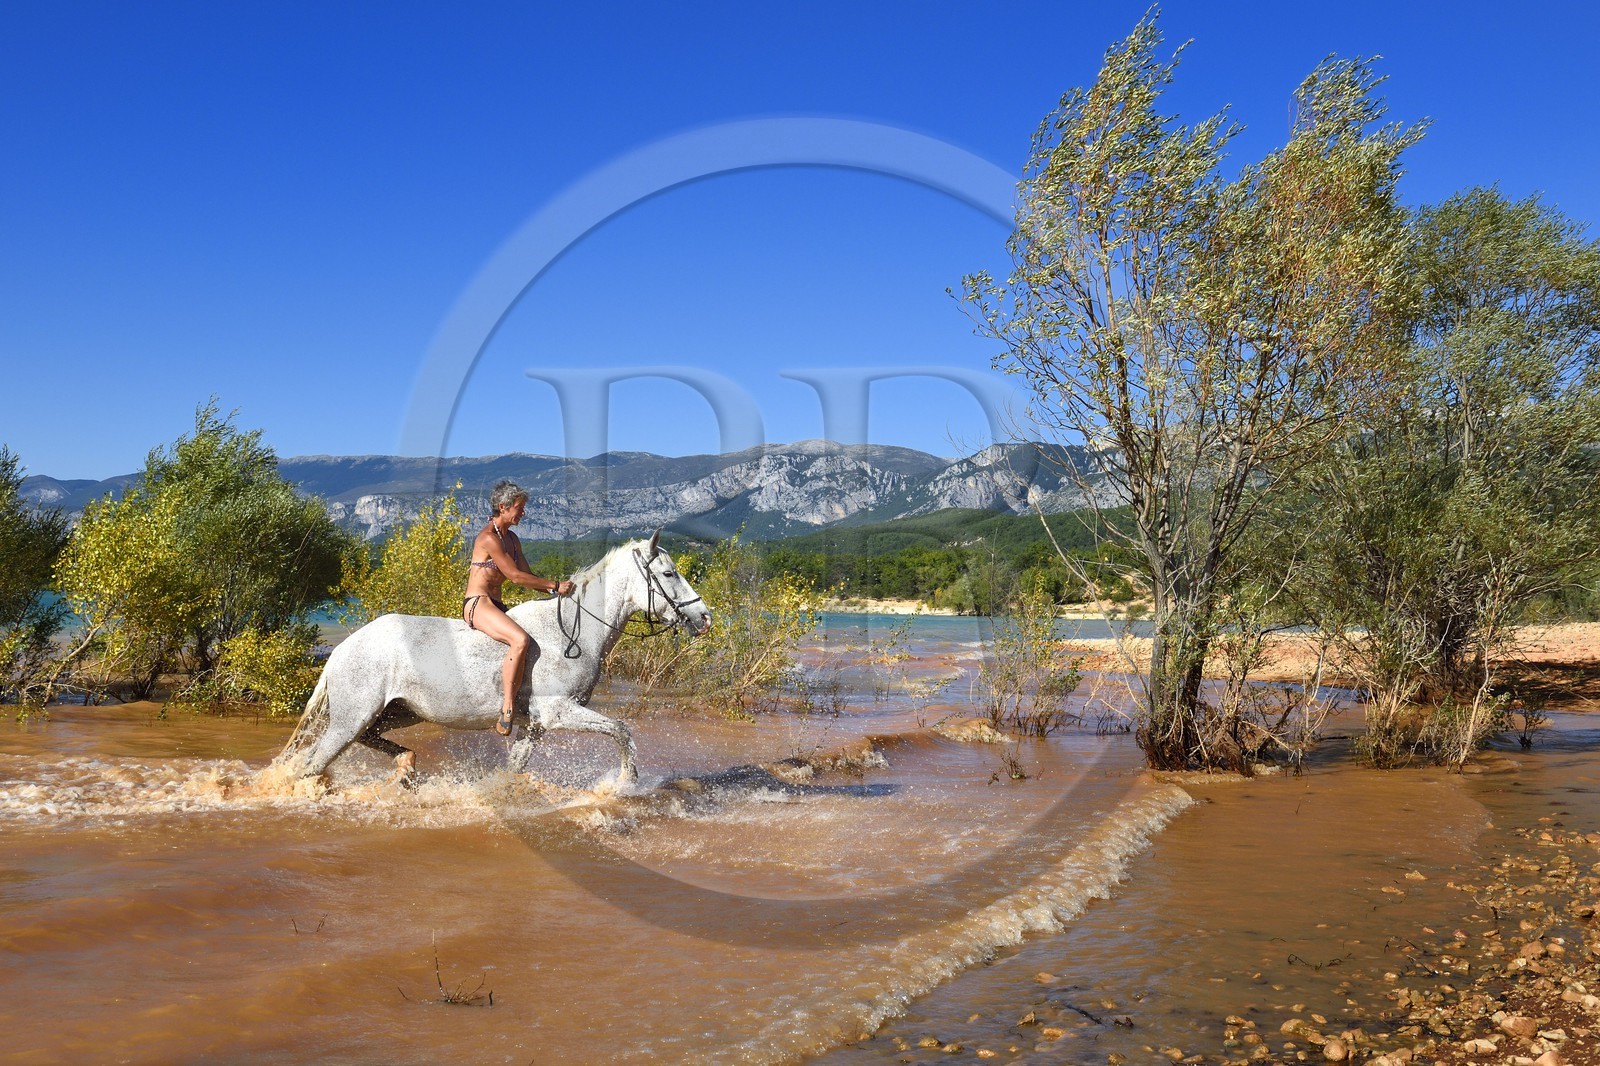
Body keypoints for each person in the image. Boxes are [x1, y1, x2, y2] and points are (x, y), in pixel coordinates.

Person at [463, 480, 574, 735]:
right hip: (478, 603)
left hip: (497, 605)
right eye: (519, 507)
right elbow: (514, 576)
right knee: (520, 640)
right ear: (502, 507)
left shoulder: (512, 539)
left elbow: (528, 576)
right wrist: (555, 584)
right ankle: (508, 708)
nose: (523, 512)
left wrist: (552, 591)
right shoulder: (488, 539)